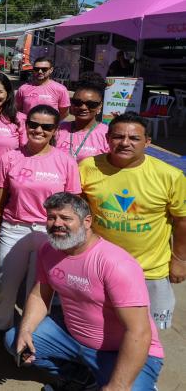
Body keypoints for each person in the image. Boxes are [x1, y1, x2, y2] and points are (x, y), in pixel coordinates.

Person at [6, 192, 165, 390]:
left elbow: (139, 332)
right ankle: (79, 377)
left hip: (118, 351)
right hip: (71, 337)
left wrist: (118, 385)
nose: (57, 223)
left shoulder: (115, 263)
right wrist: (26, 329)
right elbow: (40, 295)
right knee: (15, 341)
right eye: (51, 217)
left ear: (87, 221)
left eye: (65, 218)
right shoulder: (48, 251)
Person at [0, 105, 81, 344]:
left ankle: (30, 327)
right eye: (33, 124)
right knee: (5, 279)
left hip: (50, 233)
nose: (38, 130)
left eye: (46, 127)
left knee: (39, 286)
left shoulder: (65, 162)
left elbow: (73, 203)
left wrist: (71, 239)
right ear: (26, 126)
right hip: (14, 227)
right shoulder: (10, 157)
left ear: (55, 130)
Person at [79, 113, 186, 330]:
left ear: (147, 142)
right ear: (107, 139)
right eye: (118, 137)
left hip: (150, 271)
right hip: (101, 267)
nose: (125, 143)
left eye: (134, 138)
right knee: (103, 326)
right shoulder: (88, 166)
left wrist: (180, 260)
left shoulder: (171, 176)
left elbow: (182, 220)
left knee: (150, 332)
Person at [56, 81, 109, 162]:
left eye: (91, 104)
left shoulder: (107, 134)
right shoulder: (58, 129)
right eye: (77, 103)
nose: (83, 107)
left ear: (100, 106)